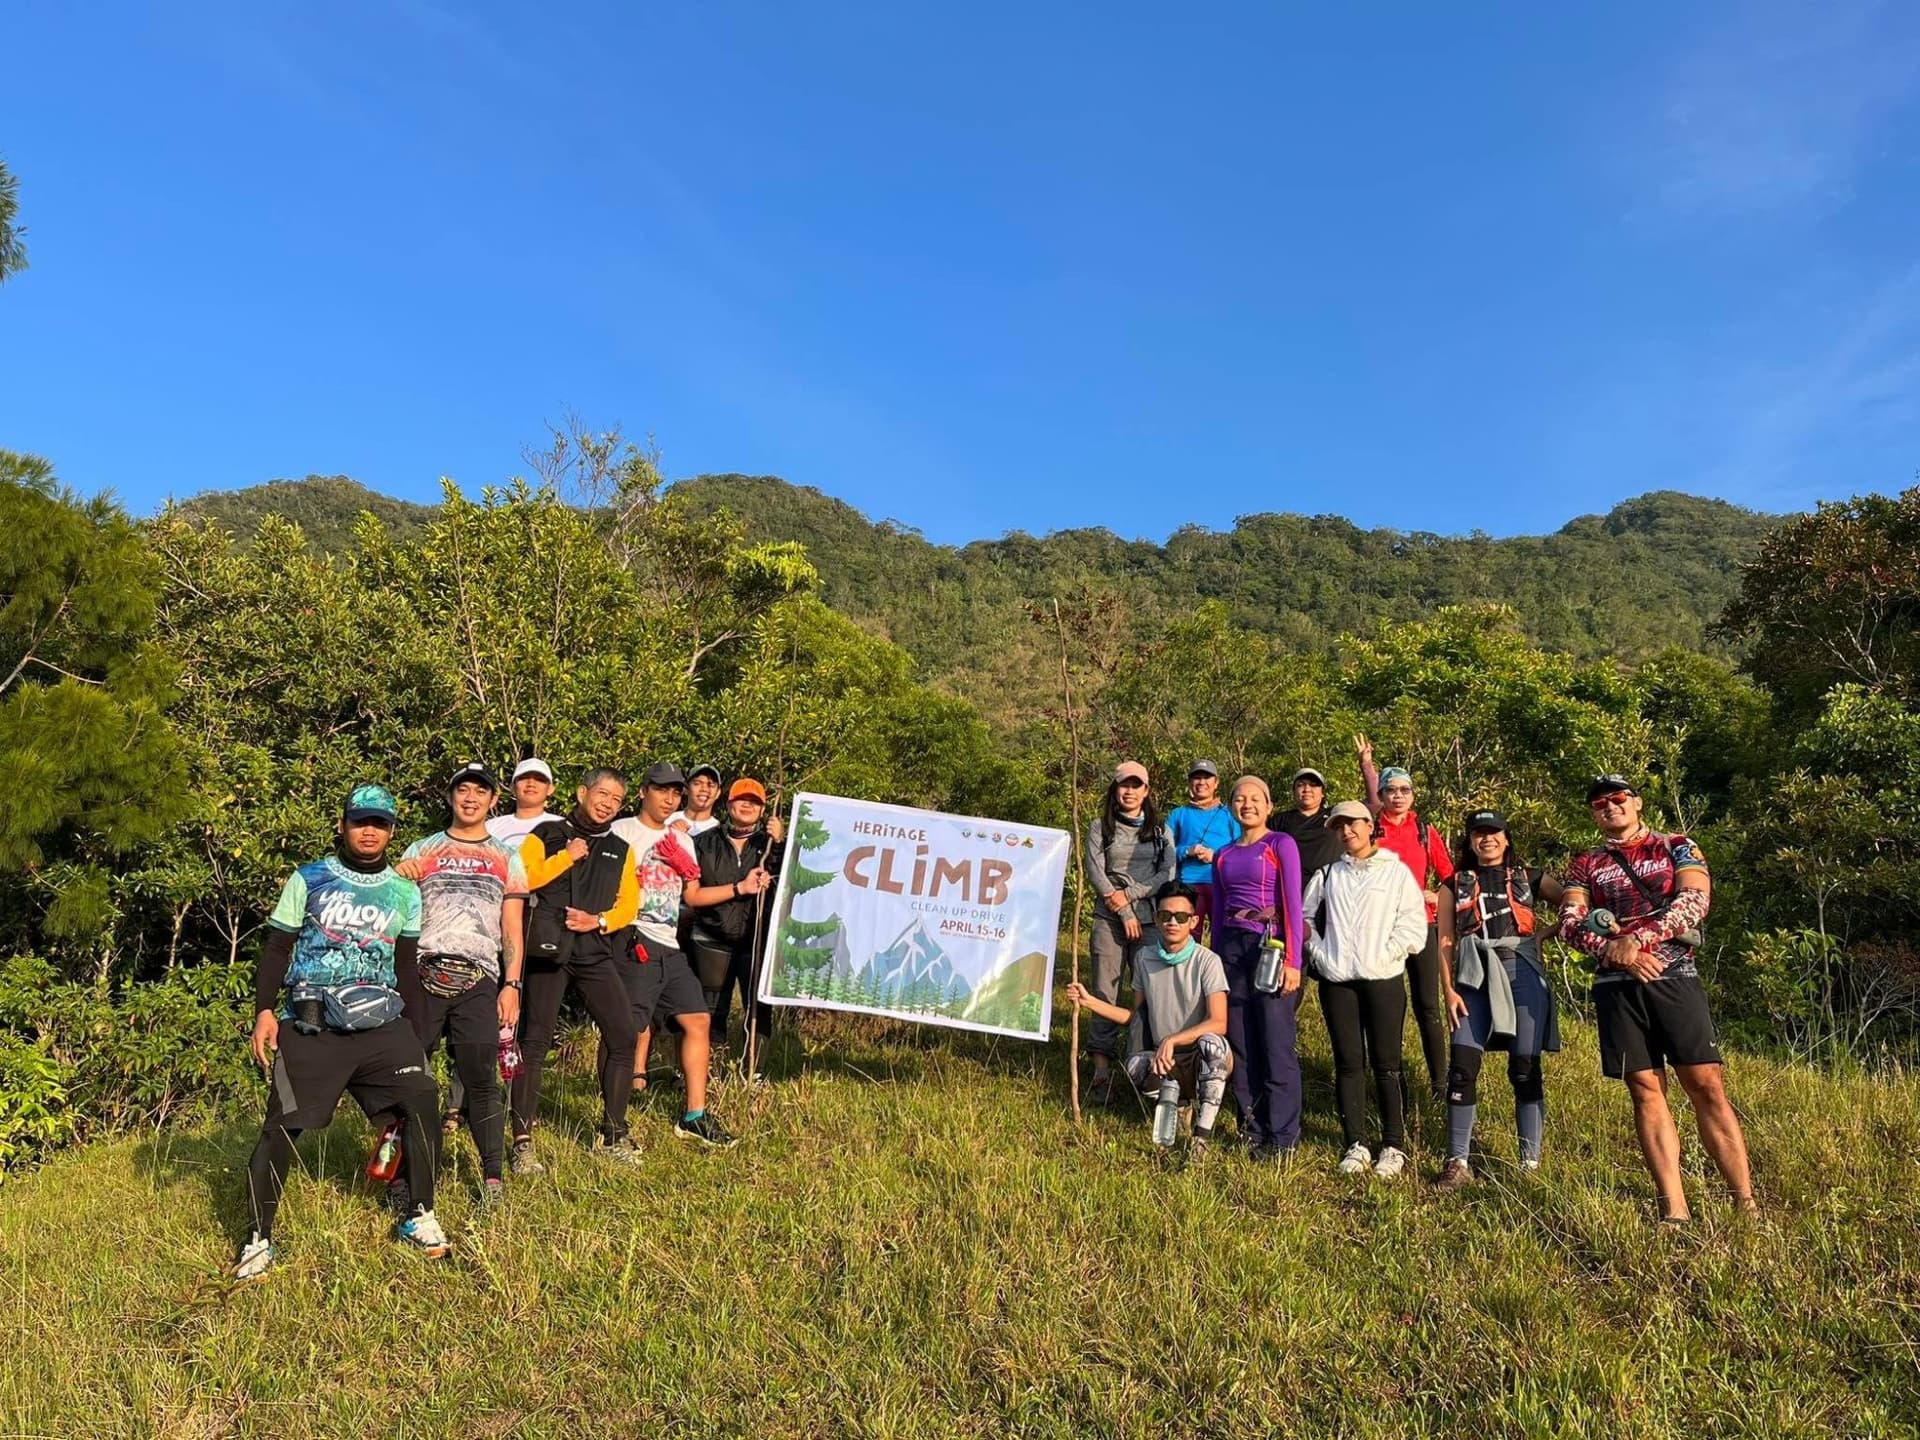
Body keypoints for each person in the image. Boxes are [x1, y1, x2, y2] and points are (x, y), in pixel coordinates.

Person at [233, 784, 445, 1282]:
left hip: (383, 1025)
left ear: (392, 831)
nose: (369, 831)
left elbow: (406, 965)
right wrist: (265, 1011)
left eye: (380, 823)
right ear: (343, 824)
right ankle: (258, 1240)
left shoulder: (404, 891)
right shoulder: (309, 878)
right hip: (312, 1024)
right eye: (360, 821)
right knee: (282, 1127)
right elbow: (277, 949)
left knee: (422, 1103)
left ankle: (418, 1215)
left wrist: (415, 1034)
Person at [1559, 775, 1756, 1223]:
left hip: (1674, 973)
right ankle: (1674, 1206)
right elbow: (1571, 922)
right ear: (1593, 814)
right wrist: (1618, 953)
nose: (1610, 807)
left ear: (1637, 803)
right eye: (1599, 804)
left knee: (1705, 1083)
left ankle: (1744, 1200)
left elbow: (1694, 902)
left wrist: (1639, 940)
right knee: (1646, 1089)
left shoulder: (1676, 844)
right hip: (1616, 983)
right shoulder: (1585, 862)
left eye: (1618, 799)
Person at [380, 761, 528, 1210]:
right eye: (462, 790)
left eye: (480, 791)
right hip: (422, 974)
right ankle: (398, 1177)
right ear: (450, 797)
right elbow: (391, 915)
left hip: (480, 977)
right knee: (407, 1077)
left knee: (483, 1079)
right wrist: (394, 878)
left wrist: (512, 984)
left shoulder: (507, 855)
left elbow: (512, 927)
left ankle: (492, 1179)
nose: (470, 797)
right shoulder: (422, 849)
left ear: (492, 800)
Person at [509, 768, 643, 1171]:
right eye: (602, 794)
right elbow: (522, 880)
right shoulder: (546, 835)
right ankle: (522, 1142)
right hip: (546, 953)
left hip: (593, 951)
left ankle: (613, 1133)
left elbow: (629, 904)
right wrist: (565, 858)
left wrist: (598, 921)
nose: (607, 803)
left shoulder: (621, 849)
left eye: (616, 800)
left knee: (623, 1035)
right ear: (582, 792)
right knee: (535, 1042)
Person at [1434, 810, 1563, 1188]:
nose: (1486, 839)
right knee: (1461, 1067)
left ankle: (1530, 1164)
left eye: (1494, 833)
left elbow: (1574, 905)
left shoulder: (1530, 877)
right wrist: (1448, 991)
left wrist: (1542, 936)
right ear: (1470, 840)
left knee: (1524, 1067)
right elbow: (1444, 941)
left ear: (1506, 838)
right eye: (1479, 833)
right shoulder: (1452, 883)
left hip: (1520, 969)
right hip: (1473, 976)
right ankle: (1458, 1162)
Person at [613, 763, 737, 1148]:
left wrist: (740, 888)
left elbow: (693, 896)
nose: (669, 799)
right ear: (643, 791)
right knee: (627, 1029)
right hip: (632, 939)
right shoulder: (620, 833)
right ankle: (613, 1121)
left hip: (670, 944)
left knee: (698, 1019)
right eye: (662, 790)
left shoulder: (682, 841)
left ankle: (694, 1116)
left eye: (675, 793)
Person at [1302, 800, 1428, 1178]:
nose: (1346, 832)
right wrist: (1321, 954)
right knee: (1348, 1064)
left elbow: (1413, 924)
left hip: (1383, 979)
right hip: (1338, 979)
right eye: (1339, 826)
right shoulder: (1327, 874)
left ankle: (1393, 1144)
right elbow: (1304, 919)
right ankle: (1354, 1142)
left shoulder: (1395, 872)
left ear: (1370, 825)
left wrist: (1387, 954)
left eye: (1353, 824)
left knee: (1387, 1065)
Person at [1063, 881, 1230, 1161]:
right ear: (1156, 919)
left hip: (1196, 1055)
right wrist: (1089, 1001)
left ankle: (1201, 1138)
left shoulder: (1208, 961)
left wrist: (1173, 1039)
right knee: (1134, 1065)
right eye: (1165, 916)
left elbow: (1219, 1022)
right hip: (1162, 1060)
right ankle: (1178, 1105)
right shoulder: (1144, 958)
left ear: (1194, 921)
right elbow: (1135, 1017)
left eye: (1181, 917)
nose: (1172, 923)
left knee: (1215, 1046)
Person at [1208, 776, 1304, 1158]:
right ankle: (1252, 1129)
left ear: (1268, 805)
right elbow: (1217, 911)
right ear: (1231, 806)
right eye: (1239, 798)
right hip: (1232, 947)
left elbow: (1292, 905)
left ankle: (1282, 1137)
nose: (1246, 804)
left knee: (1276, 1041)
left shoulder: (1280, 844)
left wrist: (1293, 962)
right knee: (1241, 1041)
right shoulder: (1224, 854)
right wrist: (1213, 964)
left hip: (1271, 944)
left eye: (1254, 799)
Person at [1357, 734, 1455, 1099]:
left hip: (1424, 925)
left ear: (1412, 795)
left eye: (1405, 789)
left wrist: (1437, 894)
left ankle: (1440, 1084)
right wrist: (1367, 764)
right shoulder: (1372, 830)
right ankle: (1390, 1079)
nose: (1398, 795)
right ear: (1381, 796)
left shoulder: (1424, 831)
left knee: (1428, 1006)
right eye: (1391, 790)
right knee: (1388, 1006)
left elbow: (1451, 878)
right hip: (1381, 929)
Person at [1081, 762, 1176, 1102]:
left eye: (1137, 785)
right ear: (1115, 789)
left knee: (1150, 994)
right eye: (1124, 785)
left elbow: (1166, 874)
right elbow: (1095, 871)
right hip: (1108, 919)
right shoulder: (1100, 827)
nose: (1130, 791)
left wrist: (1132, 897)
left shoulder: (1161, 830)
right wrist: (1121, 909)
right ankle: (1102, 1069)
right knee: (1104, 990)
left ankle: (1145, 1065)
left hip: (1149, 921)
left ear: (1147, 791)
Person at [686, 778, 786, 1071]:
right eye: (741, 799)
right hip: (711, 939)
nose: (747, 805)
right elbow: (692, 892)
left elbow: (788, 885)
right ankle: (709, 1072)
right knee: (711, 1010)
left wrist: (778, 844)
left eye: (754, 802)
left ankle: (751, 1074)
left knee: (758, 1009)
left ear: (763, 810)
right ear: (728, 804)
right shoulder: (702, 843)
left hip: (756, 941)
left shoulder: (771, 845)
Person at [1165, 760, 1240, 942]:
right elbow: (1163, 851)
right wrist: (1186, 851)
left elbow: (1241, 850)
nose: (1201, 782)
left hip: (1221, 884)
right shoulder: (1178, 815)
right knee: (1188, 939)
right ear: (1190, 783)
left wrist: (1215, 856)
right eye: (1196, 778)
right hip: (1188, 885)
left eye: (1207, 777)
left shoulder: (1230, 815)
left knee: (1223, 938)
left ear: (1216, 783)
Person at [1274, 766, 1344, 876]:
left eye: (1313, 785)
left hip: (1330, 886)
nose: (1307, 789)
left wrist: (1366, 765)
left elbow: (1373, 804)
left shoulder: (1335, 815)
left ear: (1322, 793)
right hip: (1293, 888)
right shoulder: (1279, 820)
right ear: (1294, 792)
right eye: (1300, 785)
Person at [487, 757, 561, 846]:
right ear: (512, 787)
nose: (531, 784)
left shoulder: (564, 827)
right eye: (524, 778)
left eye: (540, 779)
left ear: (550, 789)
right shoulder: (491, 827)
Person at [672, 764, 725, 838]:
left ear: (718, 793)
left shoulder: (720, 833)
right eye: (697, 784)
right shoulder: (667, 820)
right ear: (686, 789)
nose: (704, 789)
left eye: (711, 785)